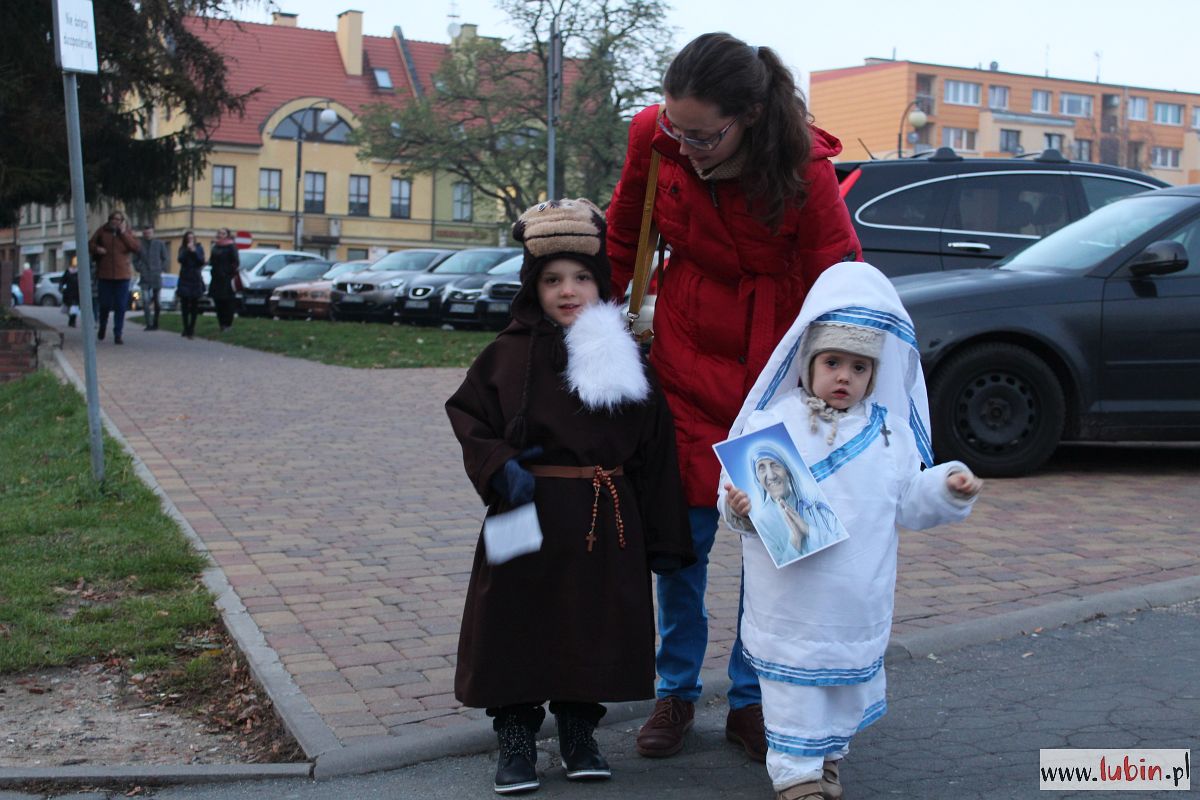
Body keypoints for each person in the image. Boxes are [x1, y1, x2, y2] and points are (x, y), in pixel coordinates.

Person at [605, 32, 862, 761]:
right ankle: (675, 692)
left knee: (776, 554)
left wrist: (848, 381)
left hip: (774, 381)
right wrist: (583, 325)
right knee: (679, 548)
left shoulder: (803, 167)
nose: (685, 148)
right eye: (676, 128)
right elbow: (623, 233)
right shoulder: (655, 136)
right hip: (682, 364)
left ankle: (754, 699)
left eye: (703, 135)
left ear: (748, 116)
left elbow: (841, 278)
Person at [445, 198, 694, 795]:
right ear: (533, 286)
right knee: (516, 622)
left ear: (600, 283)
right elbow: (468, 416)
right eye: (552, 279)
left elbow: (654, 450)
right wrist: (500, 466)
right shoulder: (506, 353)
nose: (567, 290)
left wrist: (664, 537)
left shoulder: (623, 357)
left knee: (592, 625)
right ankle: (516, 740)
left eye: (581, 277)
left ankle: (580, 733)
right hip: (525, 511)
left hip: (603, 517)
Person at [719, 262, 983, 800]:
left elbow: (909, 502)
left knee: (842, 688)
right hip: (790, 598)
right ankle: (796, 776)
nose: (844, 376)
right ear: (807, 362)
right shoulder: (771, 423)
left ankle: (827, 757)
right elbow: (739, 497)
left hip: (856, 596)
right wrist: (740, 507)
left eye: (859, 367)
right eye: (832, 362)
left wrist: (947, 487)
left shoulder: (891, 433)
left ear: (874, 373)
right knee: (793, 689)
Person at [88, 210, 141, 345]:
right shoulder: (102, 231)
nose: (116, 222)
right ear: (110, 220)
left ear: (122, 222)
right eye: (114, 219)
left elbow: (135, 247)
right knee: (104, 305)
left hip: (122, 275)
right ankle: (103, 326)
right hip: (105, 274)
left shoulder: (127, 233)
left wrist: (122, 233)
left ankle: (118, 333)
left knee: (120, 306)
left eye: (119, 220)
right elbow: (90, 244)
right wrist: (97, 249)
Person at [133, 225, 169, 331]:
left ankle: (155, 322)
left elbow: (165, 258)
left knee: (157, 301)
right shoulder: (140, 245)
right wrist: (140, 268)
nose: (147, 235)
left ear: (153, 233)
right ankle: (148, 323)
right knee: (145, 300)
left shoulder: (159, 244)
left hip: (156, 276)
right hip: (144, 277)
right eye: (145, 233)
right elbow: (135, 260)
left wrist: (160, 268)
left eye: (149, 233)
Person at [207, 228, 239, 331]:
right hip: (216, 278)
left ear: (227, 235)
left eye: (223, 233)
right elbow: (212, 260)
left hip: (227, 279)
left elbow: (235, 262)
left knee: (227, 302)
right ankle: (221, 324)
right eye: (219, 233)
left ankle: (228, 324)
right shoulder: (215, 246)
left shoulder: (231, 246)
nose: (221, 235)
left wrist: (227, 272)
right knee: (218, 302)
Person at [176, 231, 206, 339]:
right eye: (188, 238)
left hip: (195, 278)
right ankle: (185, 327)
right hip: (185, 278)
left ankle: (191, 328)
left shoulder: (199, 248)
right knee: (184, 304)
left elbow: (201, 261)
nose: (190, 240)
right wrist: (187, 251)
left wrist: (194, 252)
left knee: (194, 305)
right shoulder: (182, 248)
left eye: (192, 238)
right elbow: (180, 259)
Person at [60, 263, 81, 328]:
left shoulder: (79, 272)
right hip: (68, 293)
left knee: (74, 308)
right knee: (68, 309)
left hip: (76, 294)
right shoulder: (67, 272)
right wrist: (62, 288)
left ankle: (73, 321)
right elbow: (62, 281)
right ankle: (71, 320)